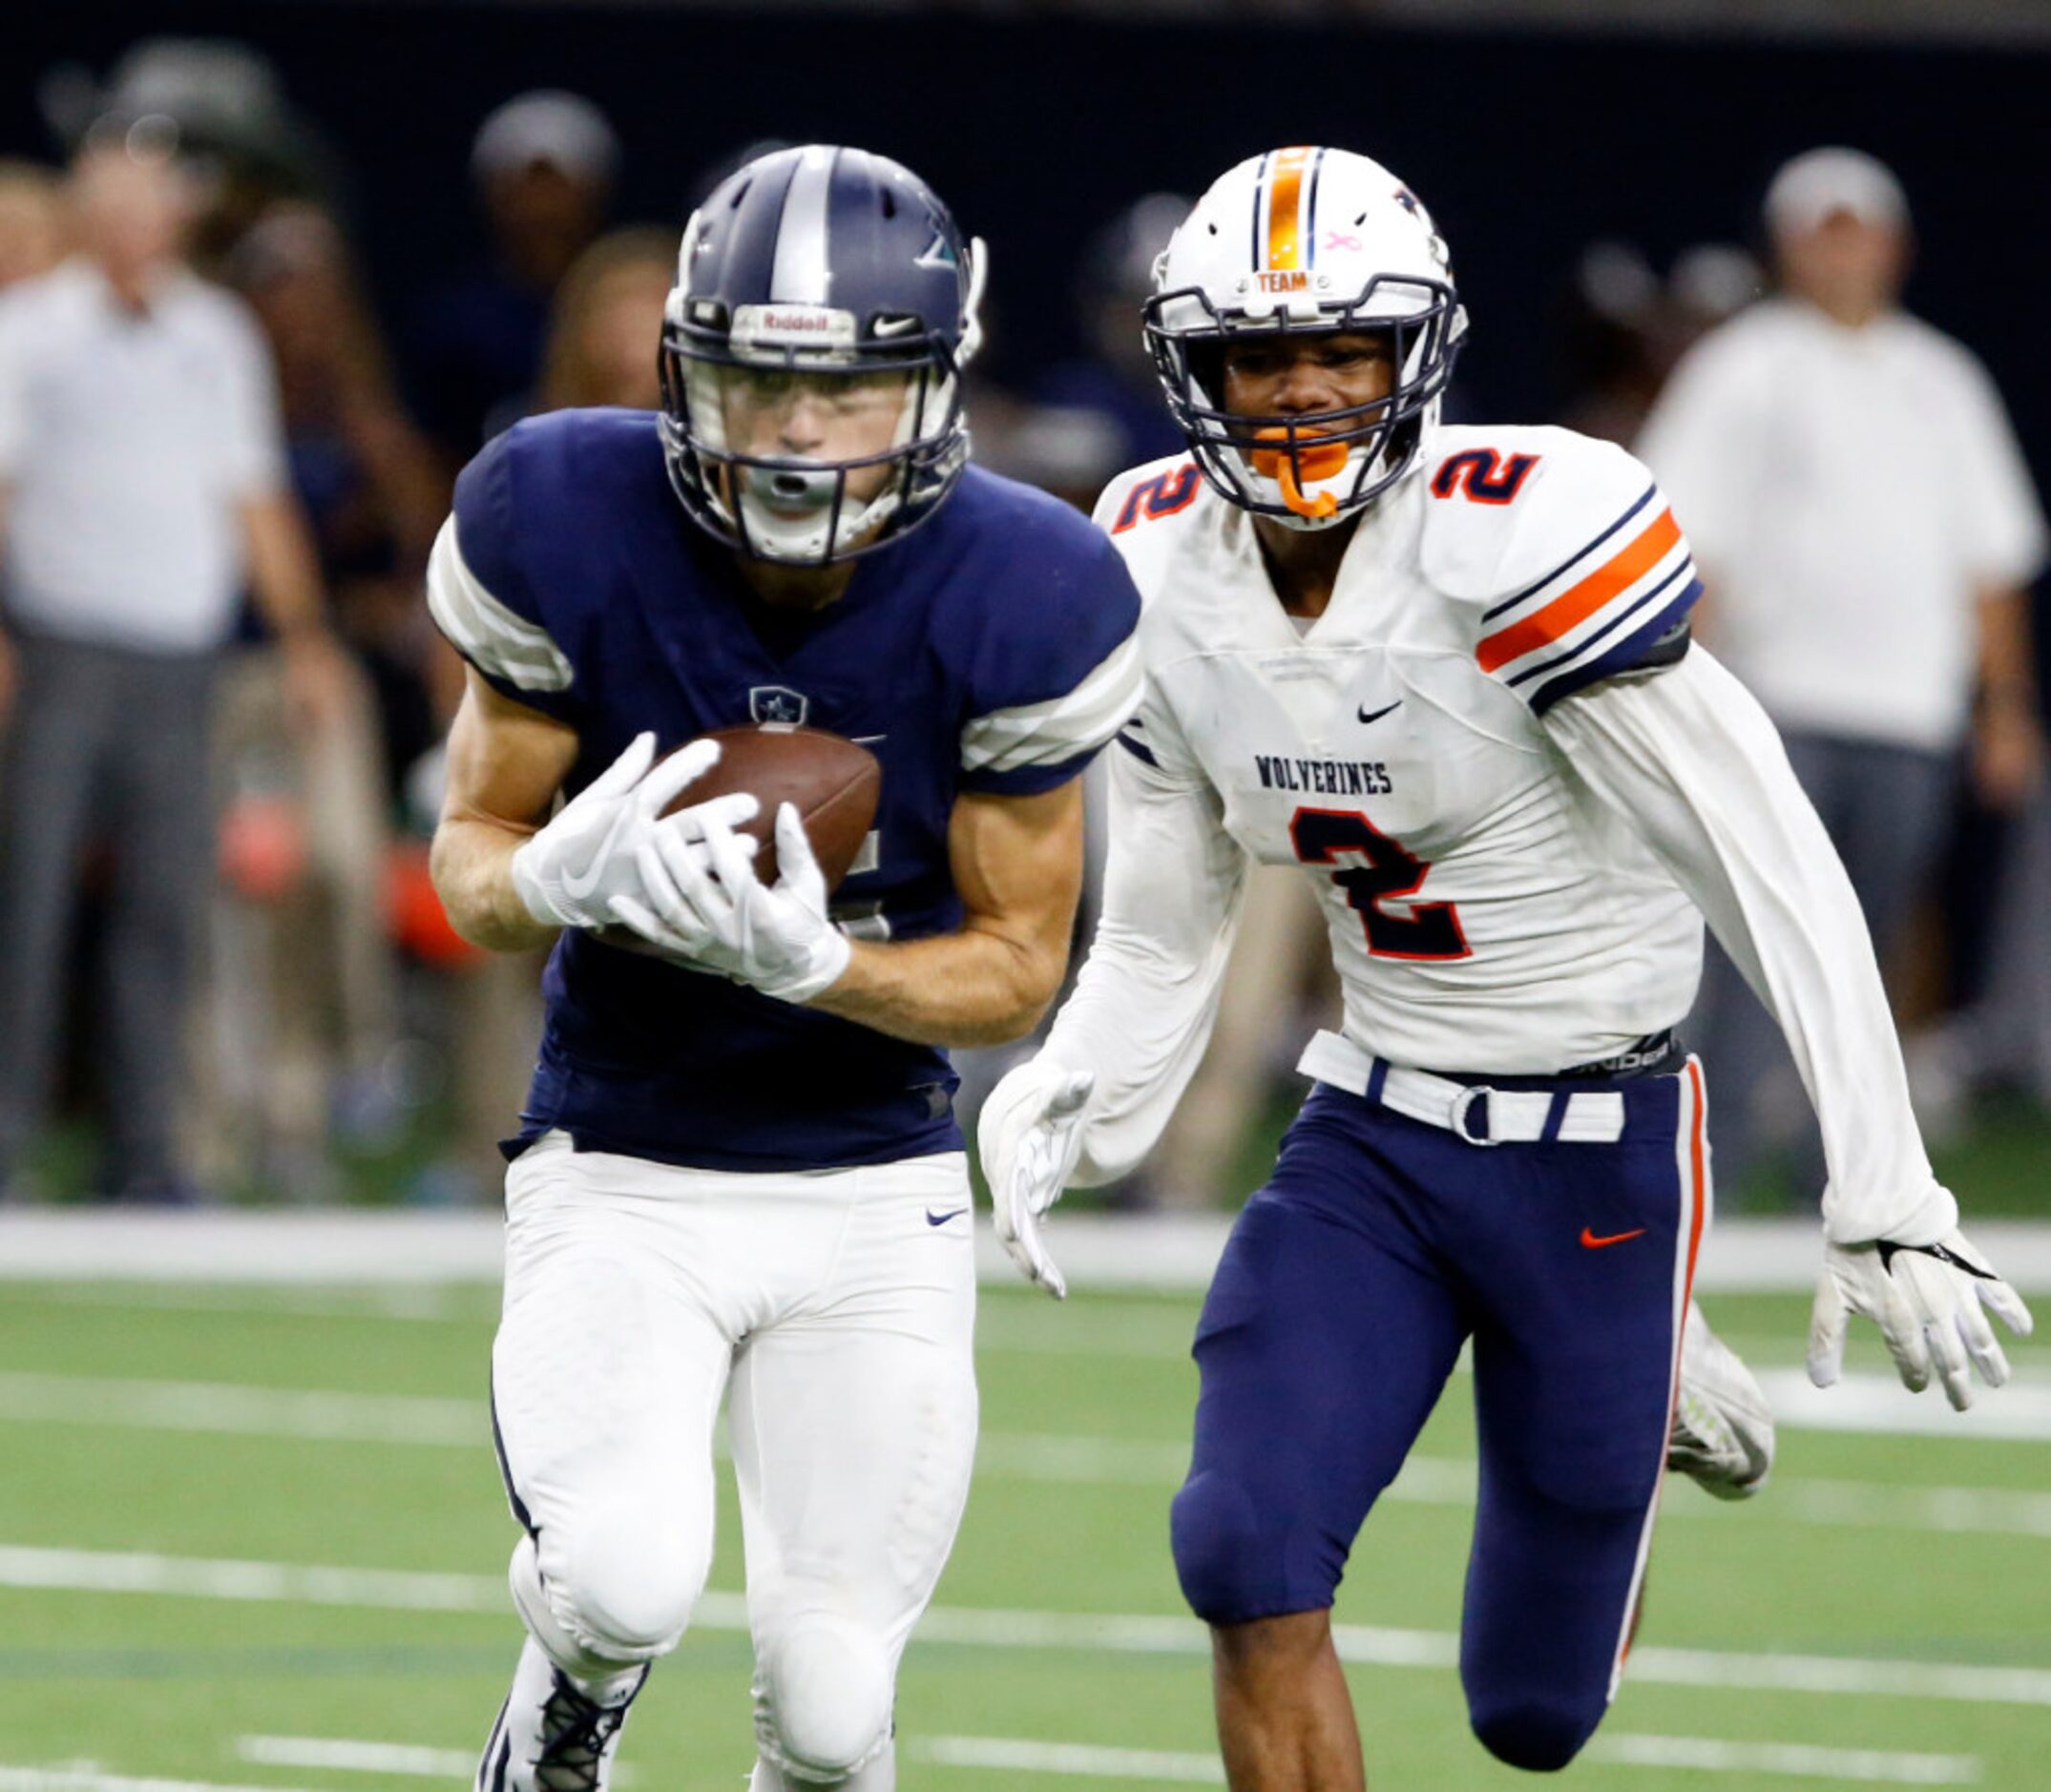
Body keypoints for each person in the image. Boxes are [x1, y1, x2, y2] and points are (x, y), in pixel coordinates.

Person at [977, 146, 2034, 1786]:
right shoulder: (1148, 559)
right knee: (1241, 1550)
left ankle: (1634, 1332)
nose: (1308, 393)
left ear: (1418, 357)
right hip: (1369, 1134)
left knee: (1527, 1715)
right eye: (1265, 356)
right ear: (1195, 370)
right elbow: (1165, 909)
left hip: (1593, 1153)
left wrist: (1877, 1180)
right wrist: (1076, 1086)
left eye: (1345, 352)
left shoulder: (1514, 536)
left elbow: (1765, 865)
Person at [427, 145, 1141, 1789]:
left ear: (939, 387)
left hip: (868, 1186)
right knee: (616, 1579)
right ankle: (559, 1718)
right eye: (755, 381)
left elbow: (1020, 966)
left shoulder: (1027, 588)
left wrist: (819, 966)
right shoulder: (561, 512)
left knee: (827, 1706)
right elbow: (471, 862)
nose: (798, 429)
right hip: (624, 1157)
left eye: (850, 389)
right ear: (687, 367)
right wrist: (549, 870)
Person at [1637, 147, 2047, 1201]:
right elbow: (1685, 543)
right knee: (1745, 939)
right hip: (1775, 710)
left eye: (1856, 230)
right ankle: (1707, 1159)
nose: (1843, 253)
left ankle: (1852, 1171)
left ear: (1893, 244)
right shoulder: (1743, 366)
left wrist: (2006, 709)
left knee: (1867, 949)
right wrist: (1670, 699)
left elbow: (1990, 559)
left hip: (1907, 713)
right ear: (1785, 247)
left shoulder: (1942, 379)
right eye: (1821, 232)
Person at [0, 129, 347, 1203]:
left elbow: (253, 494)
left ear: (175, 222)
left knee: (167, 905)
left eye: (150, 209)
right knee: (31, 900)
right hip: (60, 645)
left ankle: (146, 1151)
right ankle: (7, 1140)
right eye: (113, 208)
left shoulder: (216, 331)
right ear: (86, 218)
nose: (132, 228)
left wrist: (302, 637)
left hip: (180, 659)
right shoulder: (29, 329)